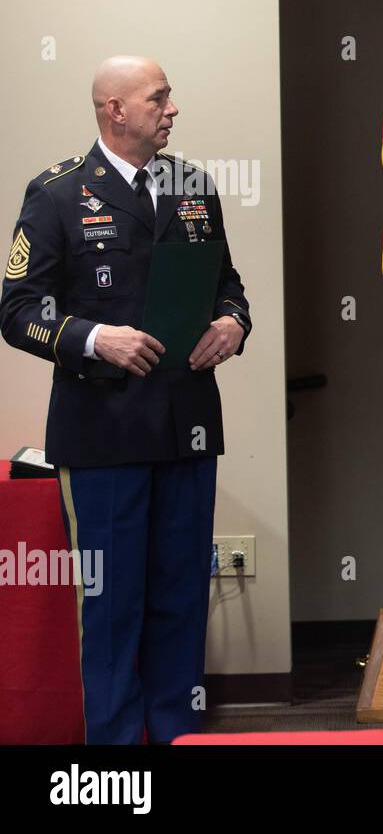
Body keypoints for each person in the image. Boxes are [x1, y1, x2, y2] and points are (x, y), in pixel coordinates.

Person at [0, 56, 251, 743]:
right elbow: (17, 309)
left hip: (187, 429)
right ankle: (114, 762)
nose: (172, 110)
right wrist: (93, 338)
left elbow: (228, 284)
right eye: (159, 98)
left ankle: (177, 736)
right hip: (103, 434)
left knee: (180, 601)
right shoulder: (56, 194)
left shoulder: (193, 186)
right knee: (113, 609)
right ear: (114, 109)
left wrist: (233, 323)